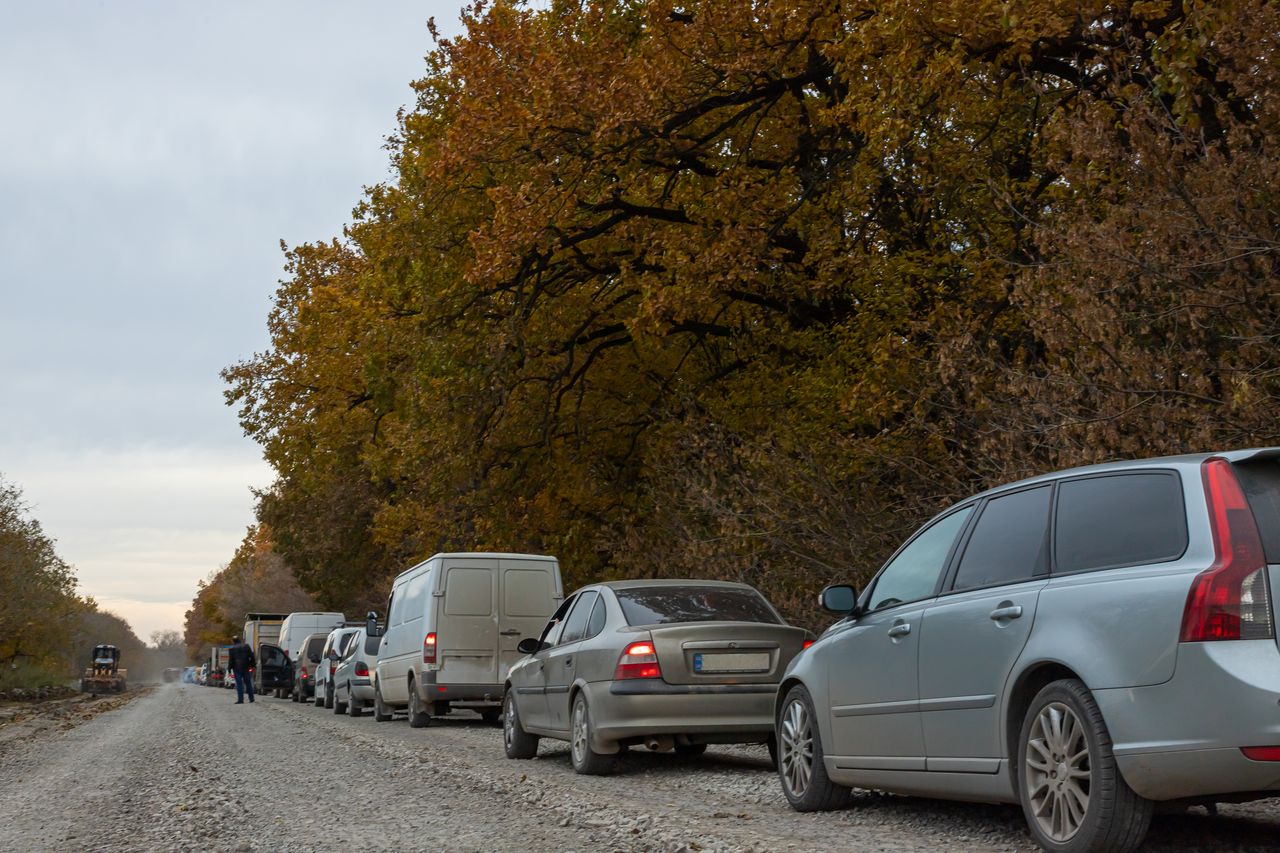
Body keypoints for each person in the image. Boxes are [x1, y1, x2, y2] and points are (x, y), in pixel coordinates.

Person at [227, 636, 256, 704]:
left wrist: (229, 669)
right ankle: (251, 698)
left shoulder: (232, 649)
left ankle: (241, 699)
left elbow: (231, 660)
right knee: (248, 683)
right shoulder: (246, 646)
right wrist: (252, 665)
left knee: (239, 684)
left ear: (233, 641)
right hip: (246, 667)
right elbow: (252, 656)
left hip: (237, 668)